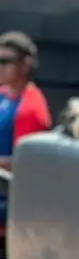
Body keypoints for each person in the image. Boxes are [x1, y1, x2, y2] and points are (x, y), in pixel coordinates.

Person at [0, 31, 52, 170]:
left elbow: (25, 163)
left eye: (5, 62)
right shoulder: (3, 93)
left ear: (25, 65)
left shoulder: (30, 110)